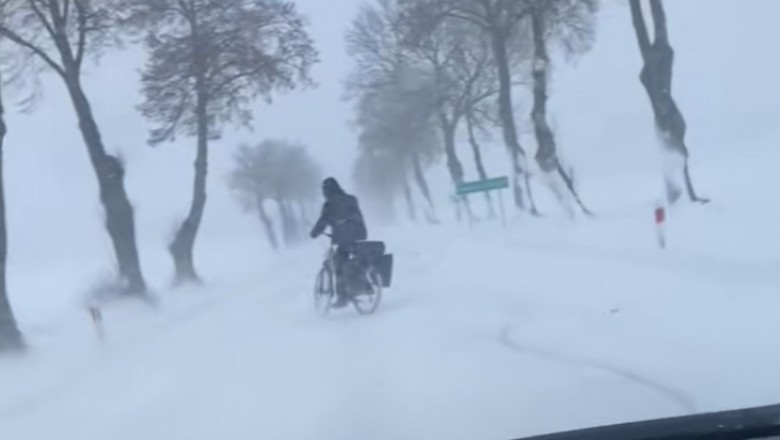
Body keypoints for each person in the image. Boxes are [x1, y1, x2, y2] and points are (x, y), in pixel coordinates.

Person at [310, 177, 368, 308]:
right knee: (350, 259)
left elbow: (323, 221)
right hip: (360, 234)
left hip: (344, 238)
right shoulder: (351, 199)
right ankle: (357, 284)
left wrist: (314, 233)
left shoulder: (329, 205)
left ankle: (343, 298)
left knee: (339, 265)